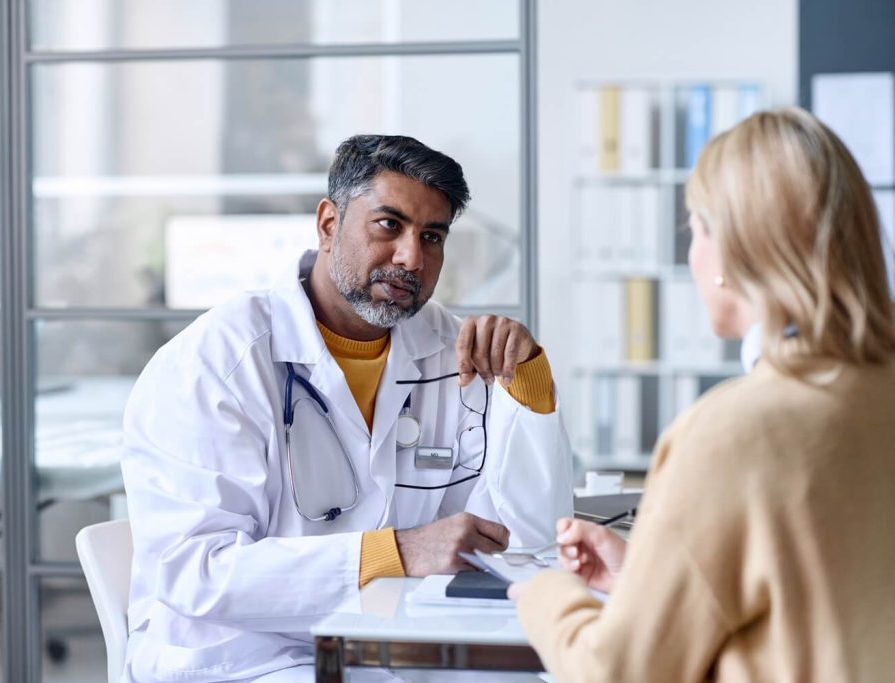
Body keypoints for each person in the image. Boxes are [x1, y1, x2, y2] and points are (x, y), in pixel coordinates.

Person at [121, 134, 574, 682]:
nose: (411, 257)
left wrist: (528, 381)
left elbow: (525, 540)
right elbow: (197, 573)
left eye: (432, 236)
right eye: (389, 225)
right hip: (239, 655)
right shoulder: (216, 361)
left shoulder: (456, 353)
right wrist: (395, 553)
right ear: (329, 224)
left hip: (394, 642)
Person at [509, 106, 895, 681]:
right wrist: (647, 579)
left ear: (733, 253)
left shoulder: (735, 432)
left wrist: (545, 595)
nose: (693, 255)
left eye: (696, 230)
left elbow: (617, 672)